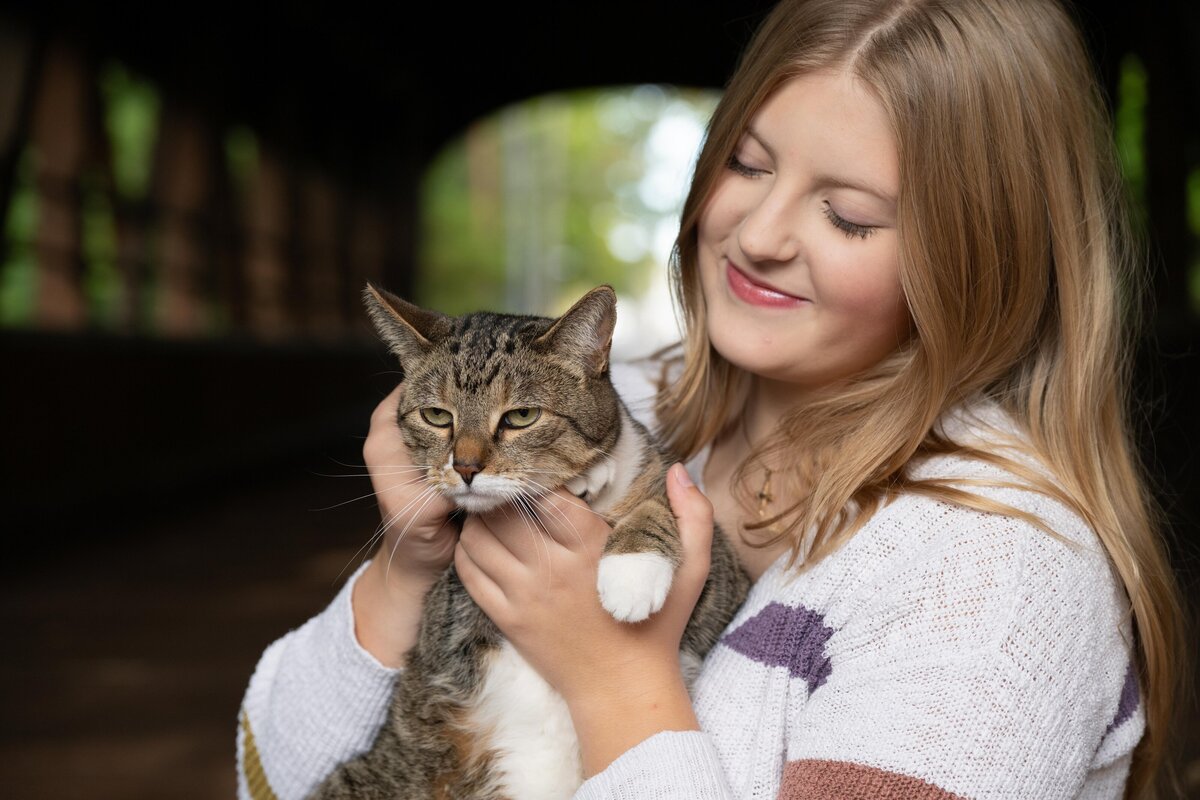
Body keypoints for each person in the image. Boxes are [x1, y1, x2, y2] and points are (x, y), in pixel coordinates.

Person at [236, 0, 1187, 797]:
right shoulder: (623, 403)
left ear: (982, 261)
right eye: (747, 164)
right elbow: (268, 773)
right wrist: (405, 565)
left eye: (849, 214)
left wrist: (614, 678)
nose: (760, 233)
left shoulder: (997, 575)